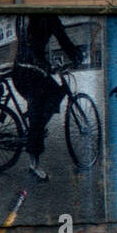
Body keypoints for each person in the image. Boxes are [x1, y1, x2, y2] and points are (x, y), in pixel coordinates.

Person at [10, 15, 83, 181]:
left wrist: (47, 64)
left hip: (29, 69)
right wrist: (76, 56)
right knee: (38, 115)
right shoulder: (43, 17)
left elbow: (61, 41)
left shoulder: (35, 15)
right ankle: (34, 166)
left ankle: (37, 118)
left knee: (54, 92)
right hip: (27, 70)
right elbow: (29, 44)